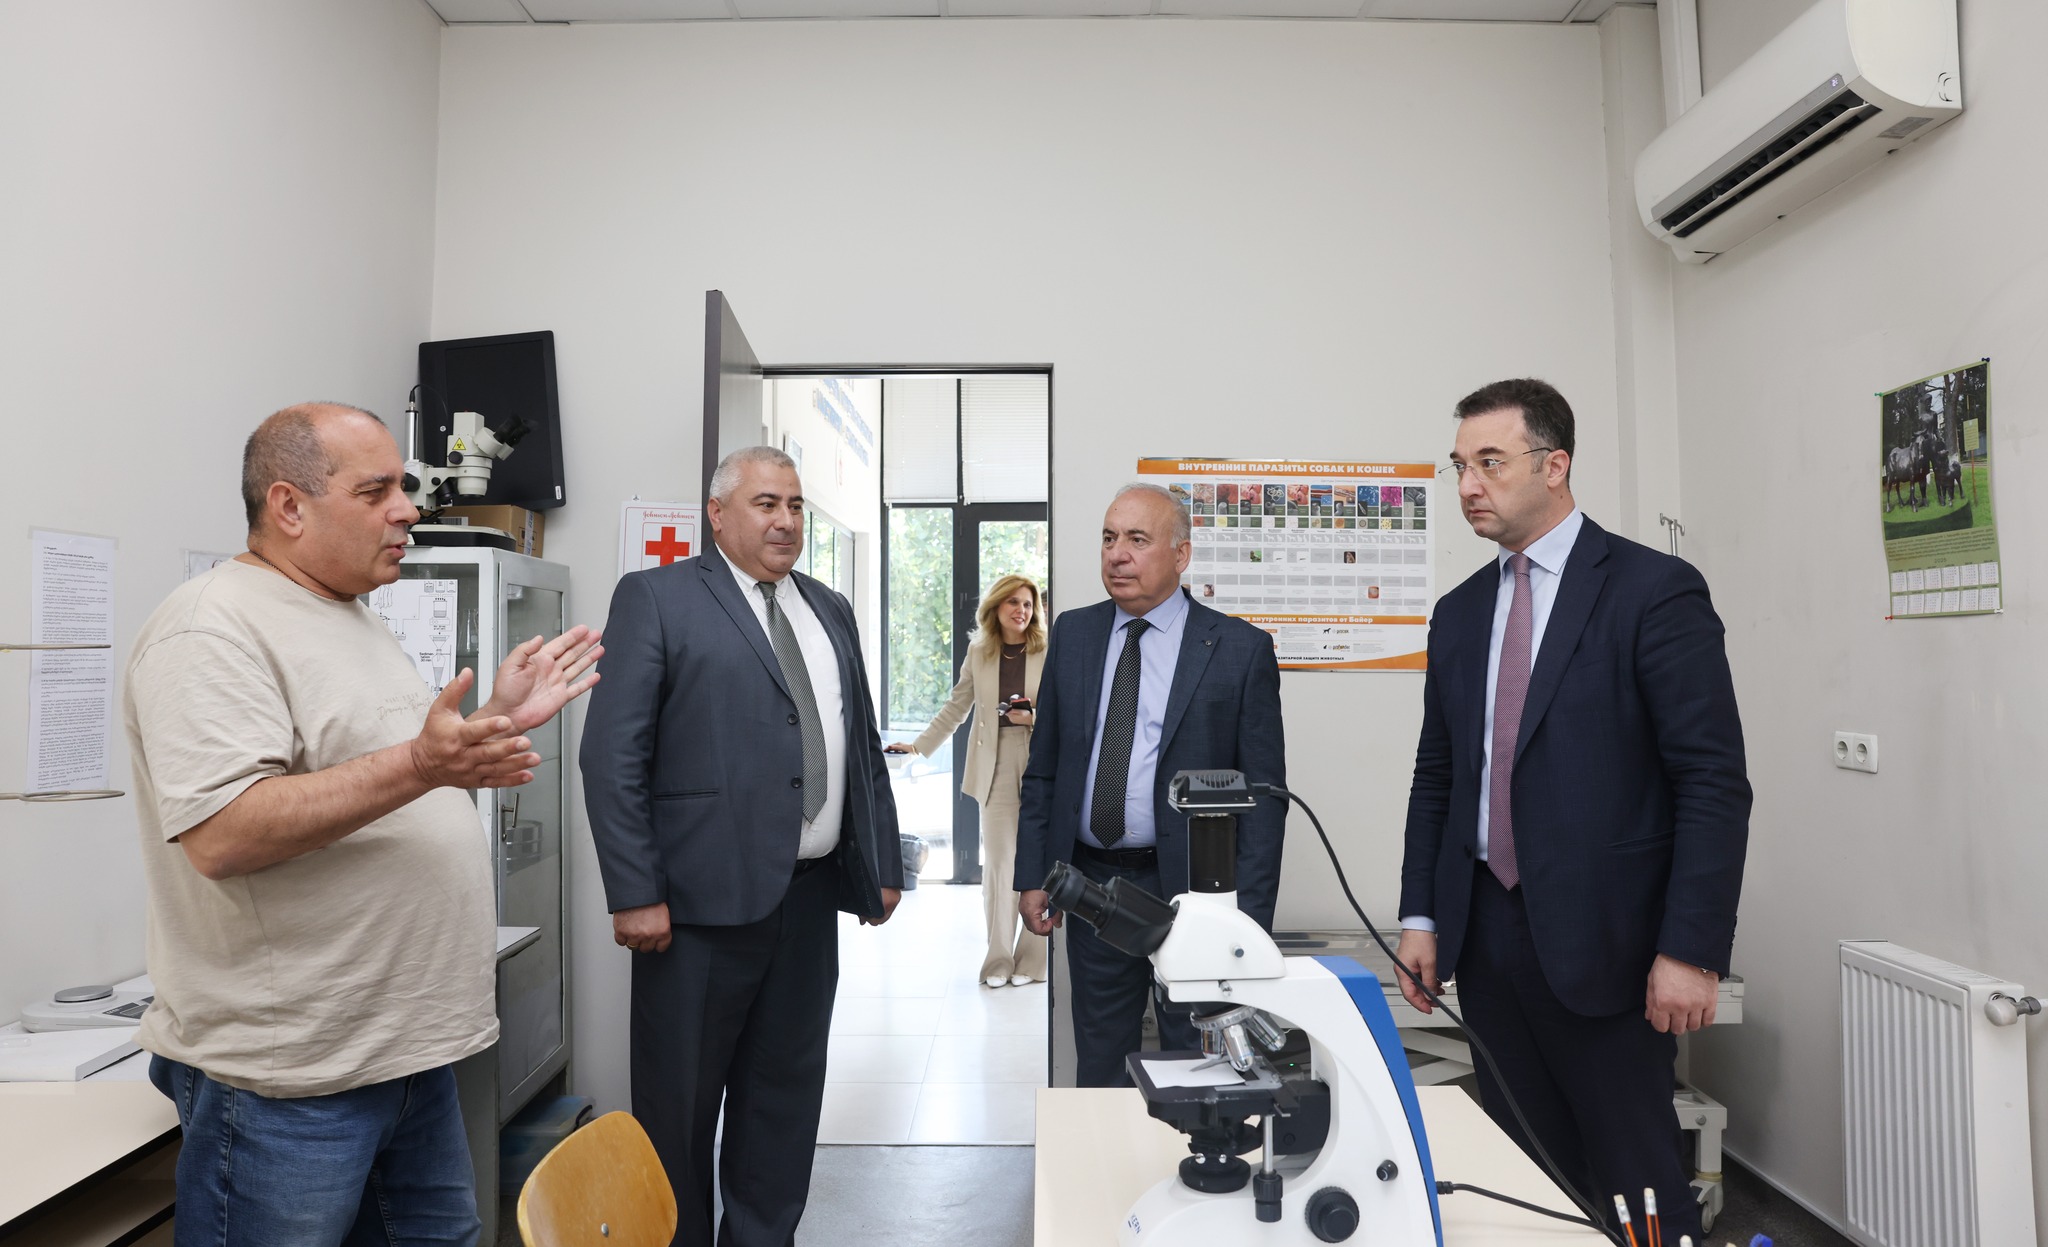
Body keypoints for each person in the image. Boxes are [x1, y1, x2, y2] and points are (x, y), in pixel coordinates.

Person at [126, 403, 601, 1247]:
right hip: (292, 1081)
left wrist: (487, 722)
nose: (407, 509)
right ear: (289, 506)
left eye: (403, 489)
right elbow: (225, 832)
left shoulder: (352, 613)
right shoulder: (210, 626)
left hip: (405, 1058)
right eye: (376, 490)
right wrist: (426, 762)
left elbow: (385, 773)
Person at [1395, 378, 1750, 1243]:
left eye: (1490, 462)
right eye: (1459, 466)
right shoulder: (1459, 613)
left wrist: (1691, 949)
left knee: (1639, 1182)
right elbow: (1439, 776)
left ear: (1554, 466)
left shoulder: (1652, 590)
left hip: (1613, 946)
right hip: (1486, 938)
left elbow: (1712, 780)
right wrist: (1421, 915)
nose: (1469, 485)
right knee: (1525, 1177)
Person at [581, 445, 904, 1247]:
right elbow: (611, 755)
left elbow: (860, 745)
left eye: (795, 505)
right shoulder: (657, 598)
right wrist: (634, 891)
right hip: (694, 912)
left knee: (783, 1106)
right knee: (679, 1111)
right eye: (767, 503)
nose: (786, 520)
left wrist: (881, 862)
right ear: (718, 513)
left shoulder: (829, 608)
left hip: (809, 902)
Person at [1014, 483, 1287, 1088]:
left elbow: (1264, 805)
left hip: (1196, 898)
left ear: (1181, 554)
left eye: (1137, 540)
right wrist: (1033, 874)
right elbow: (1045, 768)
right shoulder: (1074, 635)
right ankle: (1107, 1155)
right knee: (1101, 1061)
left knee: (1199, 1065)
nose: (1118, 554)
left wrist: (1246, 923)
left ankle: (1188, 1154)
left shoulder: (1239, 650)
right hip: (1094, 888)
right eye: (1109, 538)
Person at [885, 575, 1049, 988]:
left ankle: (1032, 961)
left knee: (1039, 863)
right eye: (1013, 602)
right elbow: (956, 707)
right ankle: (998, 961)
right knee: (999, 866)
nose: (1021, 611)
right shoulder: (980, 651)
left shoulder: (1048, 649)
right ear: (996, 607)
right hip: (994, 762)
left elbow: (1067, 709)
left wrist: (1032, 717)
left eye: (1028, 604)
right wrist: (918, 746)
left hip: (1040, 759)